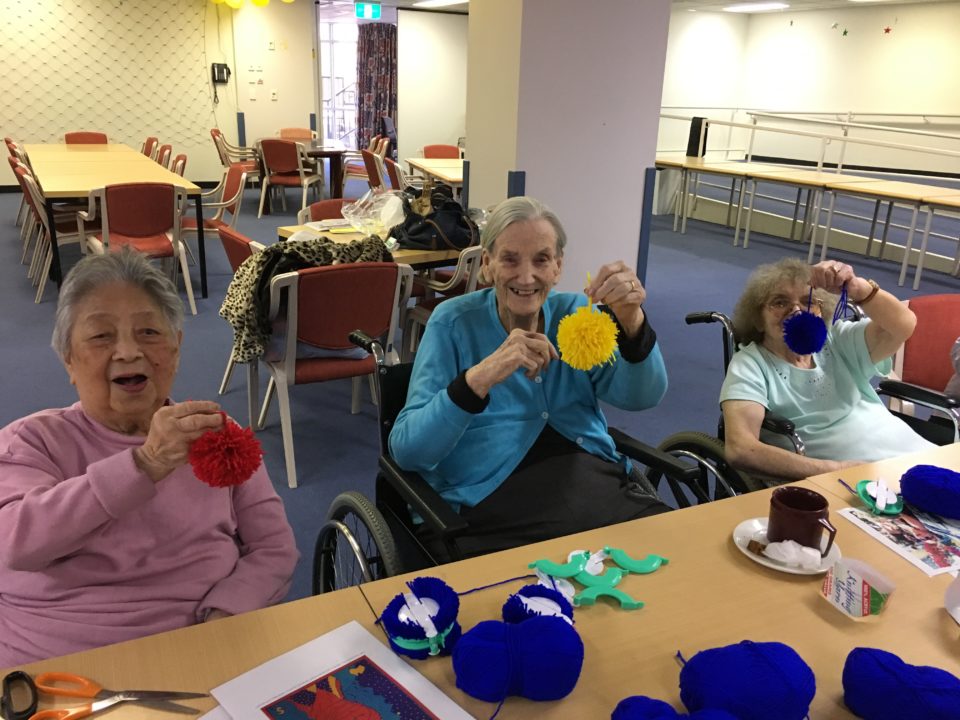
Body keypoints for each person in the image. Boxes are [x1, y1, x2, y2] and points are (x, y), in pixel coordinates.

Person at [0, 249, 298, 666]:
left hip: (203, 646)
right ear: (68, 358)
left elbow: (274, 546)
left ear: (176, 348)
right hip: (63, 663)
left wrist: (227, 612)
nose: (127, 351)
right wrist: (144, 464)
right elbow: (16, 545)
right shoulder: (31, 441)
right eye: (101, 336)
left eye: (149, 332)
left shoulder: (216, 434)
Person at [389, 196, 670, 558]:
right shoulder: (452, 323)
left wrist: (632, 321)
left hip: (590, 482)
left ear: (558, 267)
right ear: (487, 264)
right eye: (510, 259)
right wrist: (479, 378)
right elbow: (409, 451)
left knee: (672, 558)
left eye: (541, 259)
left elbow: (642, 396)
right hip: (486, 503)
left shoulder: (577, 316)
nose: (526, 277)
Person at [720, 257, 934, 482]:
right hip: (866, 480)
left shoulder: (837, 340)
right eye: (780, 302)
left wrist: (858, 289)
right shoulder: (751, 364)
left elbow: (903, 325)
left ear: (822, 311)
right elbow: (741, 449)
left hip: (916, 454)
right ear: (758, 319)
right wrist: (835, 469)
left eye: (808, 301)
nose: (797, 311)